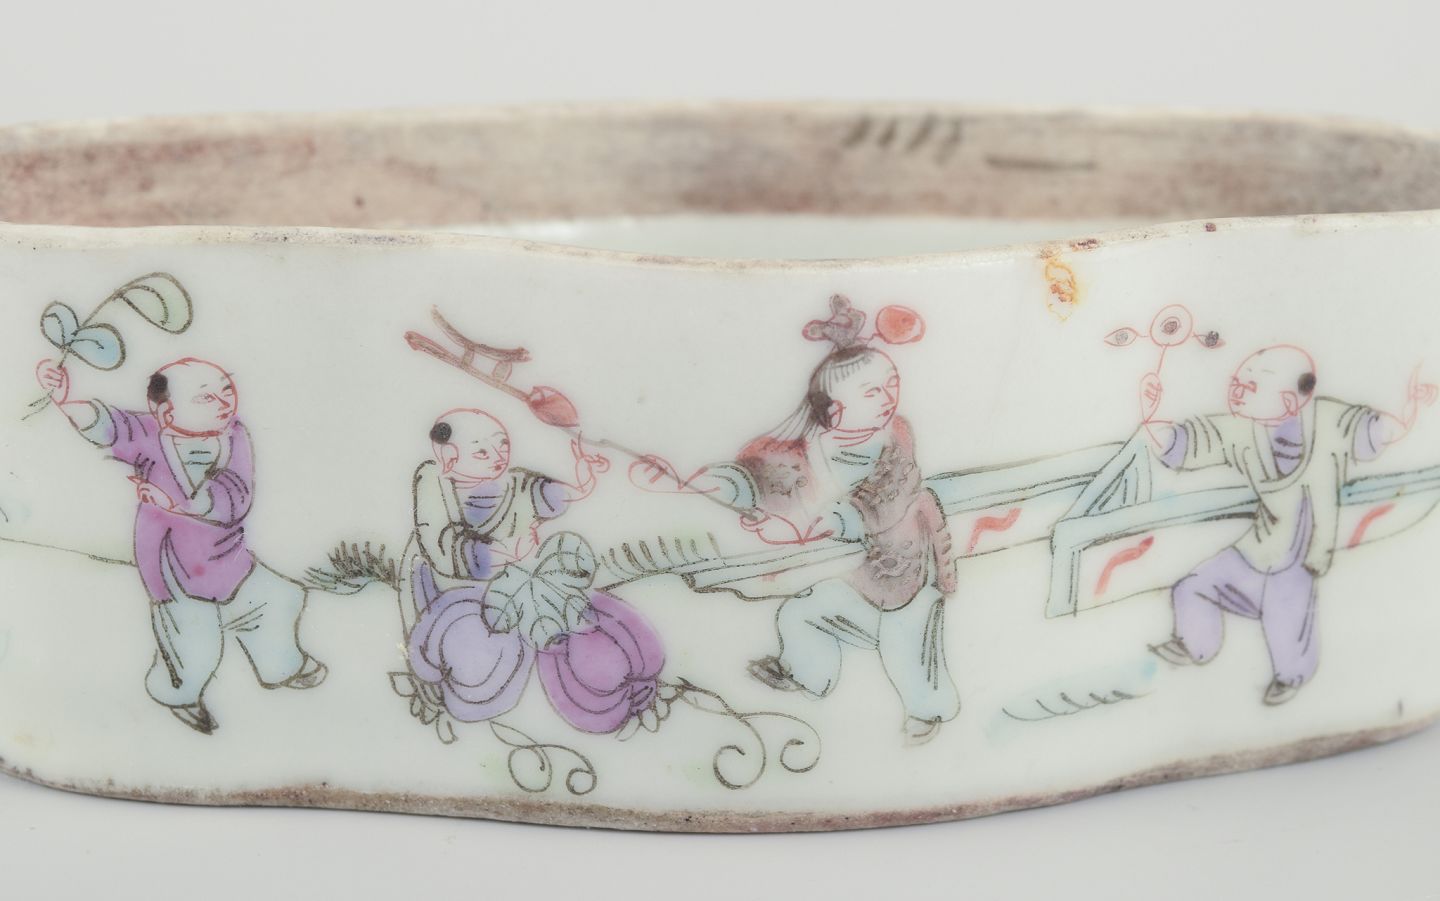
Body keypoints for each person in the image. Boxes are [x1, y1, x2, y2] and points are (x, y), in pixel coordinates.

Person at [630, 297, 959, 743]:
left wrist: (845, 516)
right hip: (853, 575)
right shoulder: (811, 449)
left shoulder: (895, 440)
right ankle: (809, 677)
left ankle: (928, 711)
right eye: (872, 392)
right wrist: (707, 485)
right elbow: (763, 477)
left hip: (906, 567)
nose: (888, 399)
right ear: (834, 411)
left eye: (891, 385)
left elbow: (892, 491)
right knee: (802, 614)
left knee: (907, 642)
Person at [34, 357, 326, 735]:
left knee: (278, 600)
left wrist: (179, 503)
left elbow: (236, 495)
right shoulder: (148, 434)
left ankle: (281, 667)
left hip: (229, 556)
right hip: (174, 566)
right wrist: (64, 400)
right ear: (166, 411)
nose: (225, 403)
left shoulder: (234, 435)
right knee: (193, 644)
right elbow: (111, 425)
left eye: (227, 390)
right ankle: (177, 696)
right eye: (206, 398)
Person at [1142, 345, 1436, 705]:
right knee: (1193, 587)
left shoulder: (1328, 422)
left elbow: (1378, 432)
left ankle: (1291, 678)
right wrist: (1150, 414)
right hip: (1256, 547)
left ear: (1286, 400)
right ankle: (1194, 645)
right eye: (1237, 384)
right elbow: (1188, 443)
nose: (1237, 393)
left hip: (1302, 553)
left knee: (1288, 622)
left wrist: (1412, 405)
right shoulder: (1242, 429)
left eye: (1249, 388)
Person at [399, 408, 664, 734]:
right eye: (482, 453)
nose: (498, 458)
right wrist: (498, 554)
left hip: (514, 588)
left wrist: (582, 478)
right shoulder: (436, 486)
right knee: (473, 648)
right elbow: (442, 546)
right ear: (449, 458)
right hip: (452, 588)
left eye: (503, 445)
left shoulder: (515, 483)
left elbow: (550, 496)